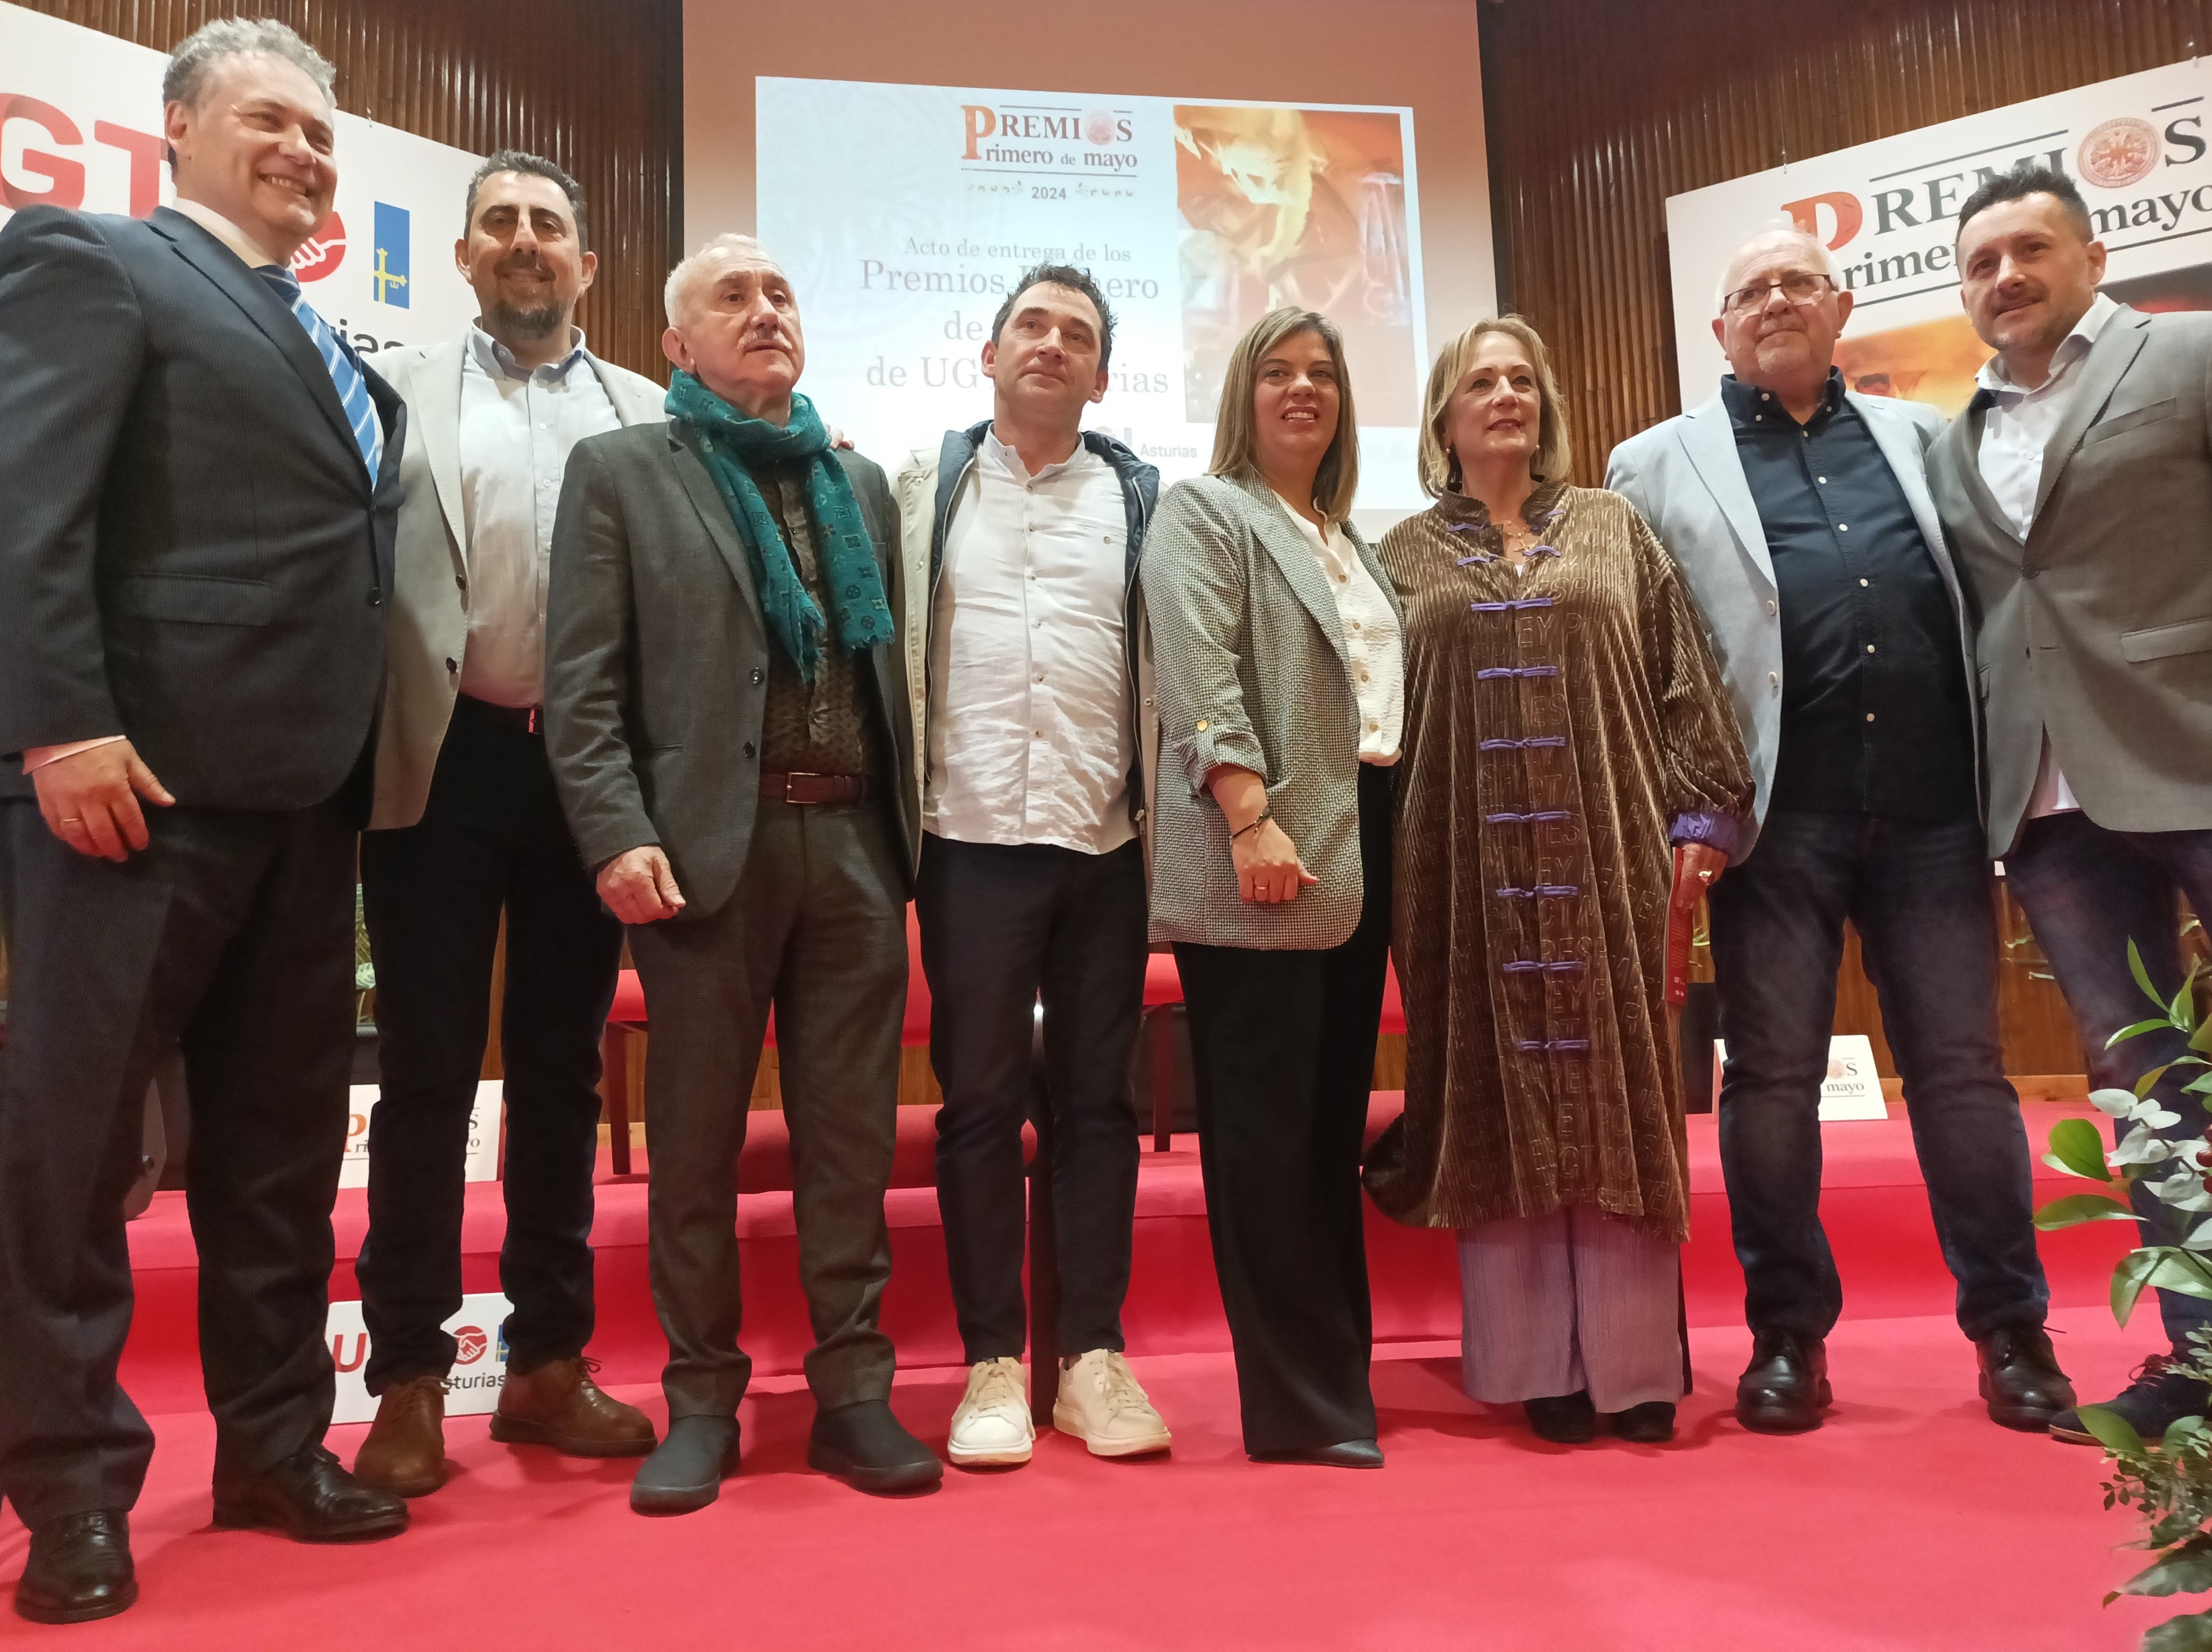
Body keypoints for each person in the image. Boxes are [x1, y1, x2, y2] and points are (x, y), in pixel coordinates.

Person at [0, 19, 410, 1624]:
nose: (306, 152)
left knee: (281, 1159)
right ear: (178, 129)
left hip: (309, 806)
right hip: (133, 794)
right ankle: (75, 1494)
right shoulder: (93, 266)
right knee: (73, 1154)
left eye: (323, 132)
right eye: (270, 120)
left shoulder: (337, 350)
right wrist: (60, 725)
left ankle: (272, 1450)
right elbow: (28, 511)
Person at [1607, 223, 2070, 1436]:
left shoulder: (1927, 438)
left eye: (1795, 285)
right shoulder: (1649, 465)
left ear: (1839, 307)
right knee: (1769, 1082)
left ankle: (2012, 1334)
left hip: (1931, 811)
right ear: (1717, 329)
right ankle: (1785, 1338)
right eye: (1749, 290)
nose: (1773, 303)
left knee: (1964, 1079)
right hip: (1771, 824)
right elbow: (1643, 659)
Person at [544, 232, 938, 1511]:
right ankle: (701, 1398)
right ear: (675, 342)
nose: (764, 311)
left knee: (847, 1143)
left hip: (856, 850)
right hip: (705, 855)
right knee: (698, 1144)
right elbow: (583, 684)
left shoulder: (858, 479)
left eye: (780, 293)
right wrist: (614, 833)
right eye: (733, 296)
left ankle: (852, 1395)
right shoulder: (618, 473)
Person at [1363, 318, 1752, 1446]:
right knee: (1497, 1097)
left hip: (1608, 864)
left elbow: (1686, 674)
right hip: (1460, 878)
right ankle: (1536, 1362)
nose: (1505, 396)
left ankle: (1634, 1369)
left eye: (1523, 379)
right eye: (1481, 381)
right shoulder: (1398, 559)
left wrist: (1702, 816)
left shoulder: (1613, 528)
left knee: (1622, 1102)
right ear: (1442, 416)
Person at [348, 152, 664, 1498]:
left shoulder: (646, 411)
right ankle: (409, 1376)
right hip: (441, 759)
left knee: (562, 1076)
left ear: (589, 264)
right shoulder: (393, 392)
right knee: (424, 1077)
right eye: (502, 226)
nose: (527, 242)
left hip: (586, 776)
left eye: (551, 223)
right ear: (466, 256)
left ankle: (544, 1364)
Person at [1927, 161, 2212, 1445]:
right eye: (1982, 262)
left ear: (2092, 258)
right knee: (2146, 1085)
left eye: (2030, 250)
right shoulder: (1956, 434)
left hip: (2195, 751)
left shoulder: (2187, 358)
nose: (2006, 277)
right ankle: (2199, 1357)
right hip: (2049, 797)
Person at [894, 266, 1170, 1467]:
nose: (1051, 346)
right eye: (1031, 326)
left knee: (1100, 1105)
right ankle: (993, 1365)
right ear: (990, 353)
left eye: (1078, 335)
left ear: (1103, 374)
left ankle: (1093, 1360)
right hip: (967, 845)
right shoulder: (923, 488)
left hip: (1106, 844)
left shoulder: (1141, 496)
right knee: (978, 1108)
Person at [1140, 305, 1403, 1467]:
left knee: (1324, 1132)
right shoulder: (1209, 512)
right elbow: (1197, 675)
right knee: (1263, 1138)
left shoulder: (1349, 538)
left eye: (1324, 375)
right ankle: (1295, 1406)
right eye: (1278, 373)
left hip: (1360, 848)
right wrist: (1249, 815)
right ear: (1242, 395)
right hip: (1268, 846)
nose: (1303, 390)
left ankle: (1335, 1376)